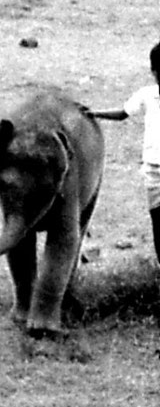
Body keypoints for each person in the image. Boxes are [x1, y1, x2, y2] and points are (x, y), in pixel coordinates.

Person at [89, 40, 160, 270]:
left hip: (154, 171)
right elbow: (122, 113)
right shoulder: (147, 95)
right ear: (153, 72)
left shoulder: (148, 93)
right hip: (154, 172)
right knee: (158, 223)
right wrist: (94, 113)